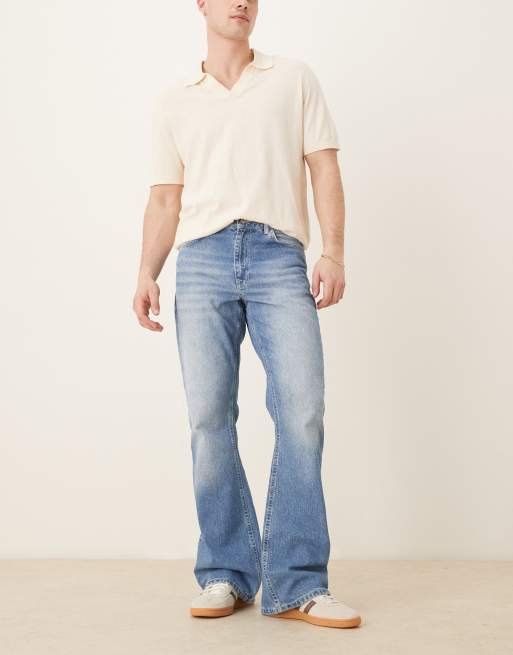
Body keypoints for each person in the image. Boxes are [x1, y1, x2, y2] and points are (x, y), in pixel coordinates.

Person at [132, 0, 361, 629]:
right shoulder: (174, 100)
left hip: (278, 255)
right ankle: (226, 573)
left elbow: (324, 167)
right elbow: (164, 198)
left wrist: (333, 251)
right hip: (201, 262)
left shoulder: (293, 78)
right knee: (209, 419)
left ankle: (299, 583)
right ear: (201, 4)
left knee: (302, 411)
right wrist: (146, 271)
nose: (242, 3)